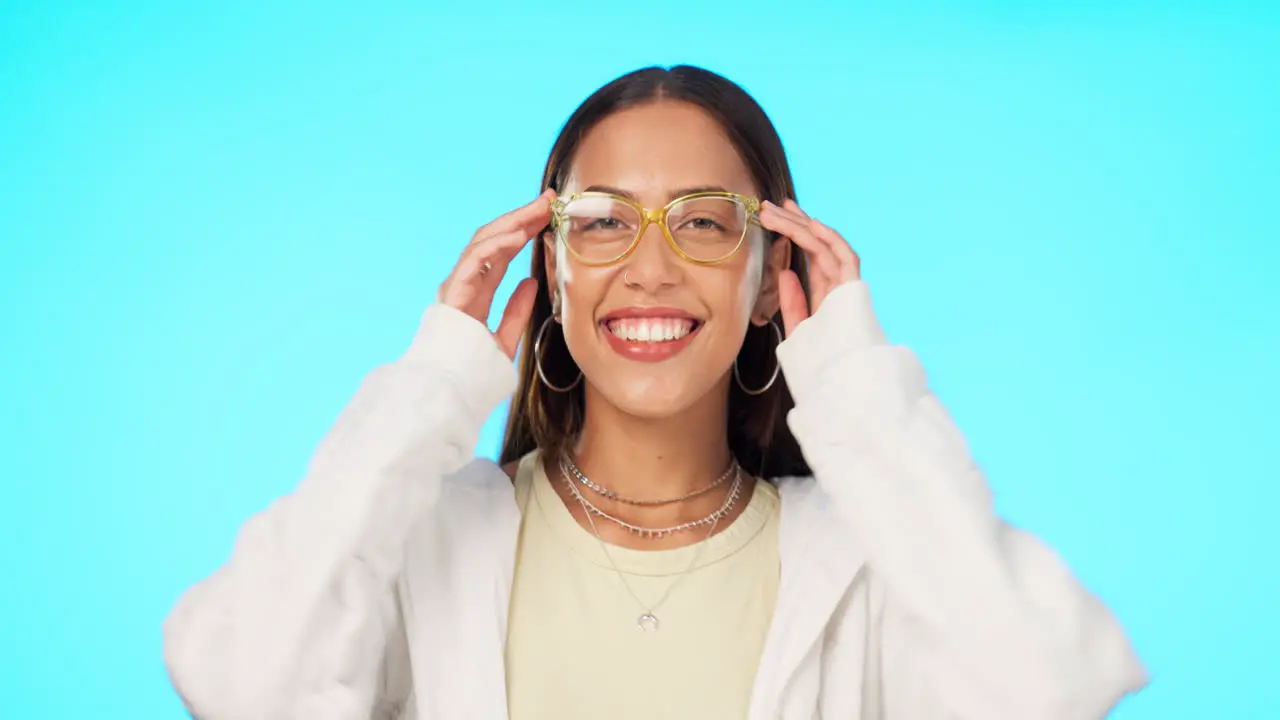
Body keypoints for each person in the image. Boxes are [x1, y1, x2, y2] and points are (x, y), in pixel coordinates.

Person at [163, 65, 1147, 719]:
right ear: (549, 270)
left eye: (703, 223)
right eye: (600, 222)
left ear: (772, 278)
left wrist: (853, 389)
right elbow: (238, 678)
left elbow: (1046, 684)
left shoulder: (860, 561)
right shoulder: (429, 538)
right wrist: (430, 386)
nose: (649, 267)